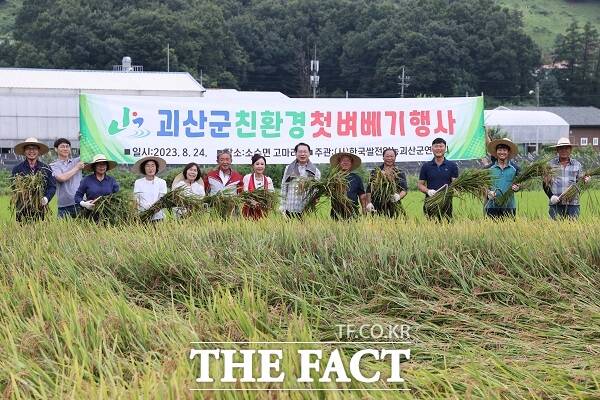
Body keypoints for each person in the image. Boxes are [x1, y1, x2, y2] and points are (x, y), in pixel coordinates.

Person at [543, 137, 591, 220]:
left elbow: (580, 183)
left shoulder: (577, 165)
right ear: (557, 150)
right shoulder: (550, 165)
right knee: (554, 231)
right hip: (556, 205)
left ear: (570, 150)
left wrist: (586, 181)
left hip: (573, 205)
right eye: (561, 148)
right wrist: (551, 197)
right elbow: (545, 184)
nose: (564, 150)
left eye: (566, 148)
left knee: (573, 231)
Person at [11, 137, 56, 222]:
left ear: (38, 151)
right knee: (22, 234)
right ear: (24, 151)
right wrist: (24, 194)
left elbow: (52, 186)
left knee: (40, 233)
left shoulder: (46, 168)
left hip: (40, 208)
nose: (31, 151)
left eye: (34, 148)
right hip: (22, 209)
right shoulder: (17, 169)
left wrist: (46, 198)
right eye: (28, 148)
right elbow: (14, 187)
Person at [418, 137, 459, 220]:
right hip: (430, 202)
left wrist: (452, 190)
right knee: (431, 228)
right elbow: (420, 184)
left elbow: (455, 184)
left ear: (445, 148)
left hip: (446, 204)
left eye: (441, 146)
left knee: (446, 228)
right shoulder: (426, 166)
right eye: (436, 146)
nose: (438, 149)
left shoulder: (452, 166)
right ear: (432, 149)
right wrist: (428, 191)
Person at [280, 142, 321, 218]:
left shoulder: (315, 171)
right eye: (300, 152)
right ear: (295, 153)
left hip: (306, 211)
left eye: (305, 152)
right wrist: (282, 207)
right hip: (289, 209)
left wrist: (315, 200)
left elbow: (316, 191)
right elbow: (284, 187)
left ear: (309, 153)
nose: (302, 154)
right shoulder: (289, 168)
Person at [365, 148, 408, 217]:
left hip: (394, 204)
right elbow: (369, 189)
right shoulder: (376, 171)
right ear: (383, 158)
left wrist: (398, 196)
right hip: (377, 205)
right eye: (387, 156)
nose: (389, 158)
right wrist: (369, 203)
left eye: (392, 156)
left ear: (395, 157)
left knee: (398, 224)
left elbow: (404, 189)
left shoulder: (399, 172)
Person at [484, 138, 520, 219]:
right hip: (492, 207)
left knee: (509, 231)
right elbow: (483, 185)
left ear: (508, 152)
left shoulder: (515, 169)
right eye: (499, 150)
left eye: (504, 150)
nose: (502, 152)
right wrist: (488, 192)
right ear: (496, 153)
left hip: (509, 206)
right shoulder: (489, 169)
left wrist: (517, 187)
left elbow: (520, 184)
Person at [50, 138, 84, 218]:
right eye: (62, 146)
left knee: (83, 229)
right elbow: (61, 178)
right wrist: (77, 168)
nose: (65, 149)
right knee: (62, 230)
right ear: (56, 149)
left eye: (67, 146)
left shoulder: (77, 161)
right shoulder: (53, 166)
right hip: (63, 207)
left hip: (80, 203)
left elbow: (88, 152)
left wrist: (83, 139)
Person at [329, 152, 367, 220]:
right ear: (339, 163)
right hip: (336, 211)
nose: (345, 162)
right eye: (343, 160)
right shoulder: (333, 178)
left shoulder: (356, 178)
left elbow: (362, 195)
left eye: (348, 161)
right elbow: (328, 192)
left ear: (351, 163)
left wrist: (364, 208)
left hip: (353, 210)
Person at [133, 156, 168, 222]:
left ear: (156, 168)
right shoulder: (138, 182)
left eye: (152, 166)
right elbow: (136, 199)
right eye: (147, 166)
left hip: (158, 216)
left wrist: (155, 208)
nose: (150, 168)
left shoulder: (162, 182)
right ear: (144, 168)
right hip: (142, 216)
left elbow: (162, 199)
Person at [242, 154, 274, 219]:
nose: (260, 166)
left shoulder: (268, 180)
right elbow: (244, 195)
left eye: (262, 164)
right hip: (248, 213)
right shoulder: (247, 178)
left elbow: (271, 196)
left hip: (263, 214)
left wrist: (268, 203)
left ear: (265, 166)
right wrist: (252, 202)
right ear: (253, 166)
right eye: (257, 164)